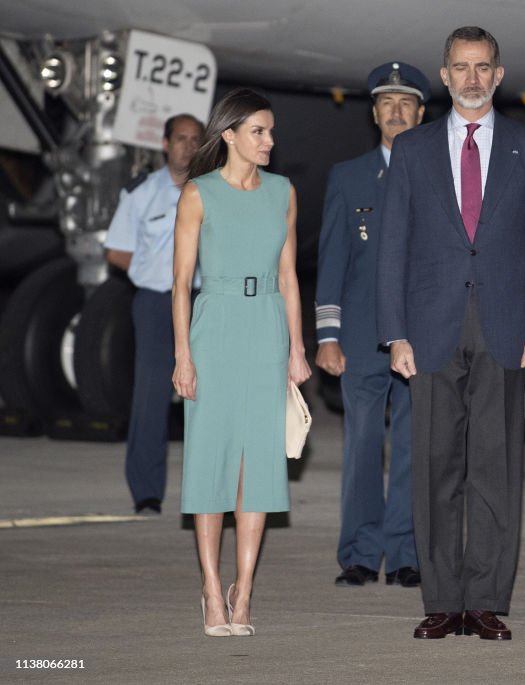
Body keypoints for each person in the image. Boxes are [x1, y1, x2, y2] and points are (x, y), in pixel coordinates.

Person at [377, 26, 525, 641]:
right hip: (429, 330)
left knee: (495, 469)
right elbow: (393, 249)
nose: (473, 79)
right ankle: (440, 600)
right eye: (461, 68)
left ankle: (484, 600)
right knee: (433, 470)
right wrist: (394, 333)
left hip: (506, 329)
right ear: (446, 74)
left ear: (499, 75)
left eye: (483, 67)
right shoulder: (412, 150)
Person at [171, 88, 311, 637]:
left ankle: (244, 592)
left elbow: (288, 276)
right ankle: (210, 589)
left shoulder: (282, 192)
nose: (269, 141)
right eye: (258, 131)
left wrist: (297, 348)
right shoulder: (198, 194)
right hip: (214, 326)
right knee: (211, 462)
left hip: (267, 328)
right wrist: (183, 355)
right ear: (228, 135)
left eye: (271, 131)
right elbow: (181, 285)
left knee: (259, 467)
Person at [315, 61, 430, 589]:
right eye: (387, 103)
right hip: (361, 339)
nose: (397, 112)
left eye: (406, 103)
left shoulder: (442, 175)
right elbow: (333, 260)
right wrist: (327, 336)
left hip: (422, 337)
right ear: (374, 114)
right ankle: (361, 552)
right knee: (362, 448)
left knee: (413, 448)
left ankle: (406, 552)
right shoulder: (349, 176)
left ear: (422, 113)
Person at [105, 114, 203, 515]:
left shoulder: (217, 190)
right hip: (156, 301)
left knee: (208, 397)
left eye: (196, 139)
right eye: (180, 139)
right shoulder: (142, 192)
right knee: (150, 395)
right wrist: (150, 274)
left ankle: (208, 490)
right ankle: (146, 492)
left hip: (204, 300)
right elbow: (116, 249)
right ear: (165, 144)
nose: (189, 146)